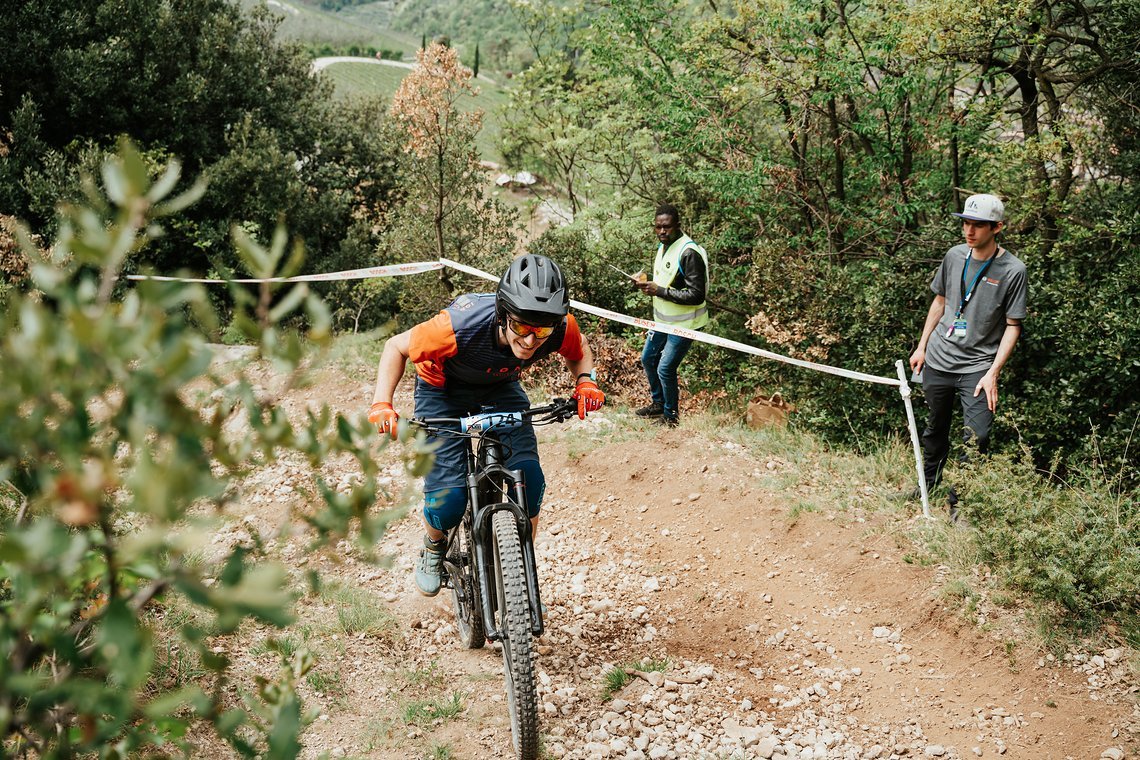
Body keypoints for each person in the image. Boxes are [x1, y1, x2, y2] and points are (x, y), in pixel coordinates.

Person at [368, 254, 605, 596]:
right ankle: (434, 546)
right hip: (442, 392)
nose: (530, 340)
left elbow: (578, 348)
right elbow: (395, 347)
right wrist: (381, 403)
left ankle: (520, 564)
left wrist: (585, 381)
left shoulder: (557, 328)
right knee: (448, 499)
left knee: (530, 478)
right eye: (521, 327)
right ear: (501, 314)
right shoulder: (455, 327)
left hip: (500, 388)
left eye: (541, 331)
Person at [909, 193, 1028, 519]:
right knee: (935, 429)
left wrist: (993, 372)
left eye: (978, 224)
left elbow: (1013, 326)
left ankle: (957, 505)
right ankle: (927, 486)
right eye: (965, 222)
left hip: (977, 367)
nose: (969, 230)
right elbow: (940, 302)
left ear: (997, 227)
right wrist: (921, 347)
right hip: (939, 358)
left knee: (978, 437)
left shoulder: (1013, 270)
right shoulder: (954, 256)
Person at [632, 203, 710, 427]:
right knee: (648, 359)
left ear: (677, 226)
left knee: (665, 368)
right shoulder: (663, 246)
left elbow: (697, 295)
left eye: (666, 227)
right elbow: (667, 278)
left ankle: (670, 415)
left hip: (686, 323)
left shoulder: (689, 252)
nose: (662, 232)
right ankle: (658, 404)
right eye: (658, 227)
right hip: (663, 321)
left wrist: (660, 291)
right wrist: (646, 284)